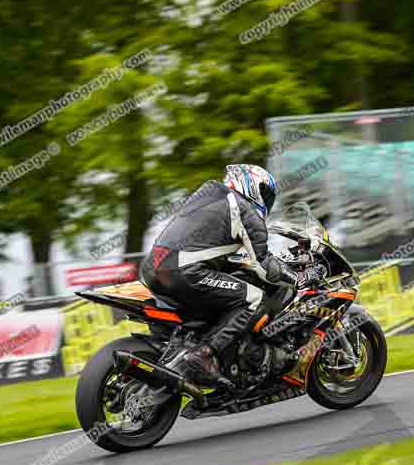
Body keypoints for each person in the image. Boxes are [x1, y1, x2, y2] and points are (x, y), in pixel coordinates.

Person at [140, 164, 327, 388]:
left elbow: (207, 244)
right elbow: (265, 266)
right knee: (254, 297)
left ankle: (191, 349)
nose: (266, 201)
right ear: (252, 186)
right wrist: (299, 278)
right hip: (186, 272)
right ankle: (204, 354)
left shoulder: (209, 195)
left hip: (154, 268)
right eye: (266, 194)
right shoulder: (244, 209)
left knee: (226, 295)